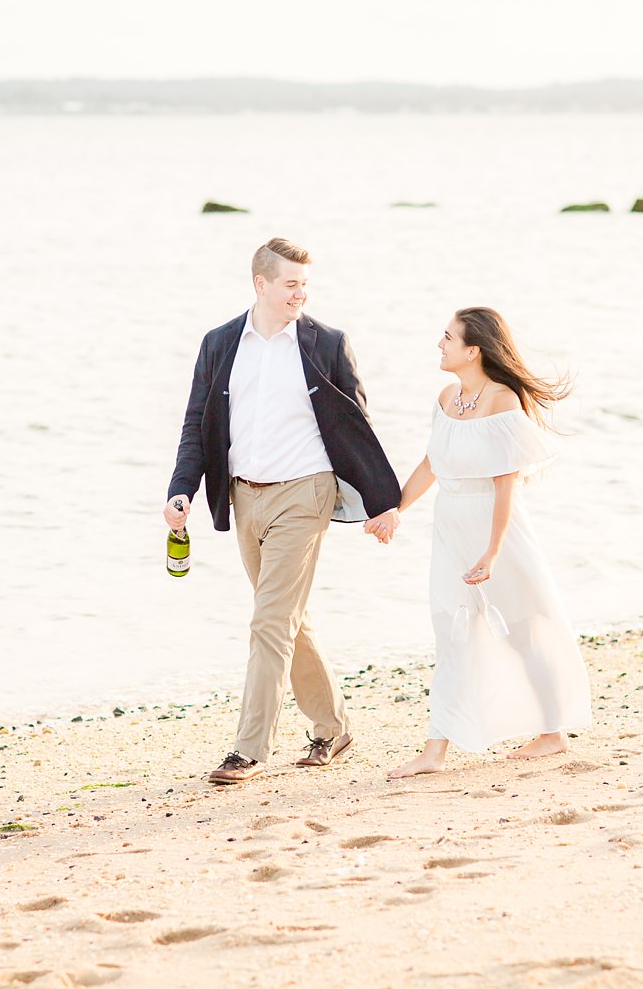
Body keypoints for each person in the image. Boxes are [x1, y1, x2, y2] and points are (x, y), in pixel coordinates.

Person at [165, 237, 402, 785]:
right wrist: (182, 490)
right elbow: (196, 424)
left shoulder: (327, 344)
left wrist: (381, 503)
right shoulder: (221, 343)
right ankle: (332, 727)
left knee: (269, 621)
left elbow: (356, 426)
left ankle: (249, 749)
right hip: (244, 495)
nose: (301, 293)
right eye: (291, 284)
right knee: (286, 619)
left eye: (305, 284)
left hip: (305, 493)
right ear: (261, 284)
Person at [375, 306, 592, 779]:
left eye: (448, 338)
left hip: (496, 533)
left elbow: (504, 485)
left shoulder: (502, 401)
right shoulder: (447, 397)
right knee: (450, 632)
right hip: (449, 527)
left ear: (473, 350)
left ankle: (553, 733)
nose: (440, 344)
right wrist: (395, 511)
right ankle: (434, 751)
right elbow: (432, 464)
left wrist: (492, 552)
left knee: (521, 634)